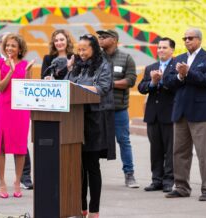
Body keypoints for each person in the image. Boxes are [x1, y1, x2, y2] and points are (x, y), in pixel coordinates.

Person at [163, 28, 206, 201]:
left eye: (190, 38)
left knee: (203, 153)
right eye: (185, 38)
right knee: (179, 152)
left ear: (199, 40)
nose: (187, 41)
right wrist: (180, 77)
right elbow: (167, 81)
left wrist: (188, 73)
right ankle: (181, 187)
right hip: (180, 112)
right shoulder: (178, 59)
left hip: (200, 113)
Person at [66, 34, 115, 218]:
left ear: (93, 48)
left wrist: (79, 89)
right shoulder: (77, 66)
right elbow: (68, 86)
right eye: (79, 49)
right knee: (78, 167)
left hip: (94, 121)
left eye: (84, 49)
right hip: (76, 121)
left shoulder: (104, 65)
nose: (81, 53)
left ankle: (94, 210)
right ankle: (81, 207)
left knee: (91, 166)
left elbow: (102, 88)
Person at [0, 33, 33, 190]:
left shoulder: (25, 64)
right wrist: (10, 71)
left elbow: (27, 87)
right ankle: (2, 182)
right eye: (7, 45)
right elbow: (1, 87)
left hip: (20, 110)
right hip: (3, 107)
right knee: (0, 146)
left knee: (20, 146)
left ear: (19, 49)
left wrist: (28, 71)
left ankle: (18, 182)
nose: (10, 48)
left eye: (13, 46)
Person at [96, 29, 139, 188]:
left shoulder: (126, 58)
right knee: (95, 142)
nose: (100, 39)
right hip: (98, 109)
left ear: (114, 39)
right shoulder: (96, 58)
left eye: (104, 37)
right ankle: (92, 175)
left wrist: (110, 84)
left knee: (124, 141)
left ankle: (129, 175)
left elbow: (131, 80)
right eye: (99, 37)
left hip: (118, 109)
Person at [138, 37, 176, 193]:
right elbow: (141, 87)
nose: (160, 50)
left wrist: (161, 81)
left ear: (172, 50)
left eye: (164, 47)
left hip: (170, 115)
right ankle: (156, 180)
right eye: (159, 47)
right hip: (153, 115)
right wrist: (153, 83)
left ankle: (168, 180)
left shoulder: (176, 67)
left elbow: (176, 85)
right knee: (155, 150)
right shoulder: (151, 67)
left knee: (170, 150)